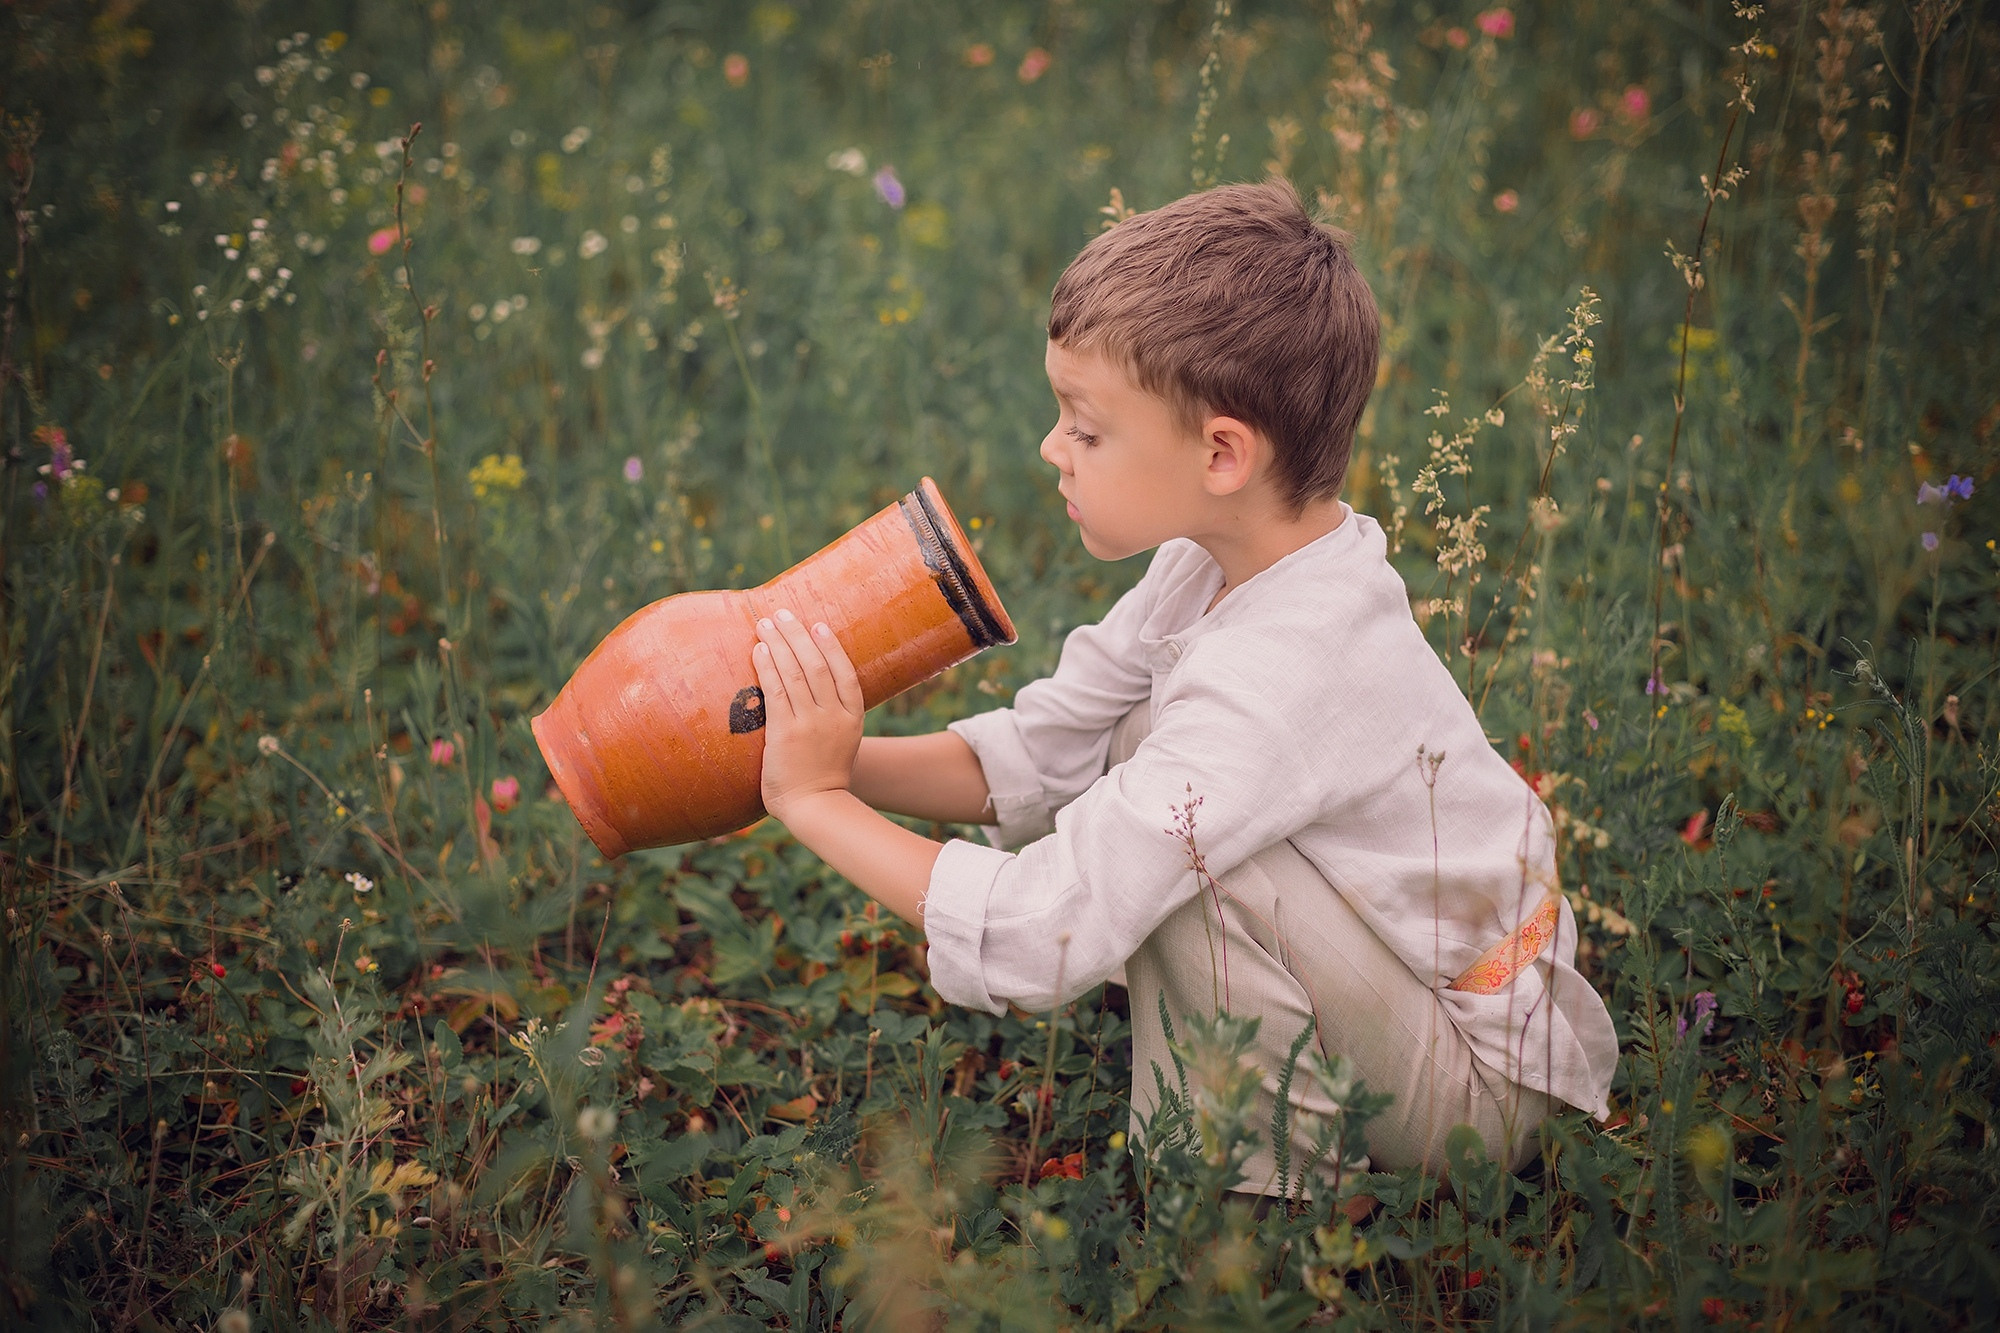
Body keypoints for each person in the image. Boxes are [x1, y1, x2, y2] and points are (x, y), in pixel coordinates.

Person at [742, 178, 1618, 1196]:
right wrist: (830, 758)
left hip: (1469, 1089)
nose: (1049, 448)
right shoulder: (1218, 564)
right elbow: (1047, 750)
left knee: (1199, 846)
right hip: (1399, 982)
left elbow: (1043, 930)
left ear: (1219, 452)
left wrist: (810, 804)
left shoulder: (1286, 667)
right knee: (1140, 755)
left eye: (1084, 427)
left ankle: (1246, 1221)